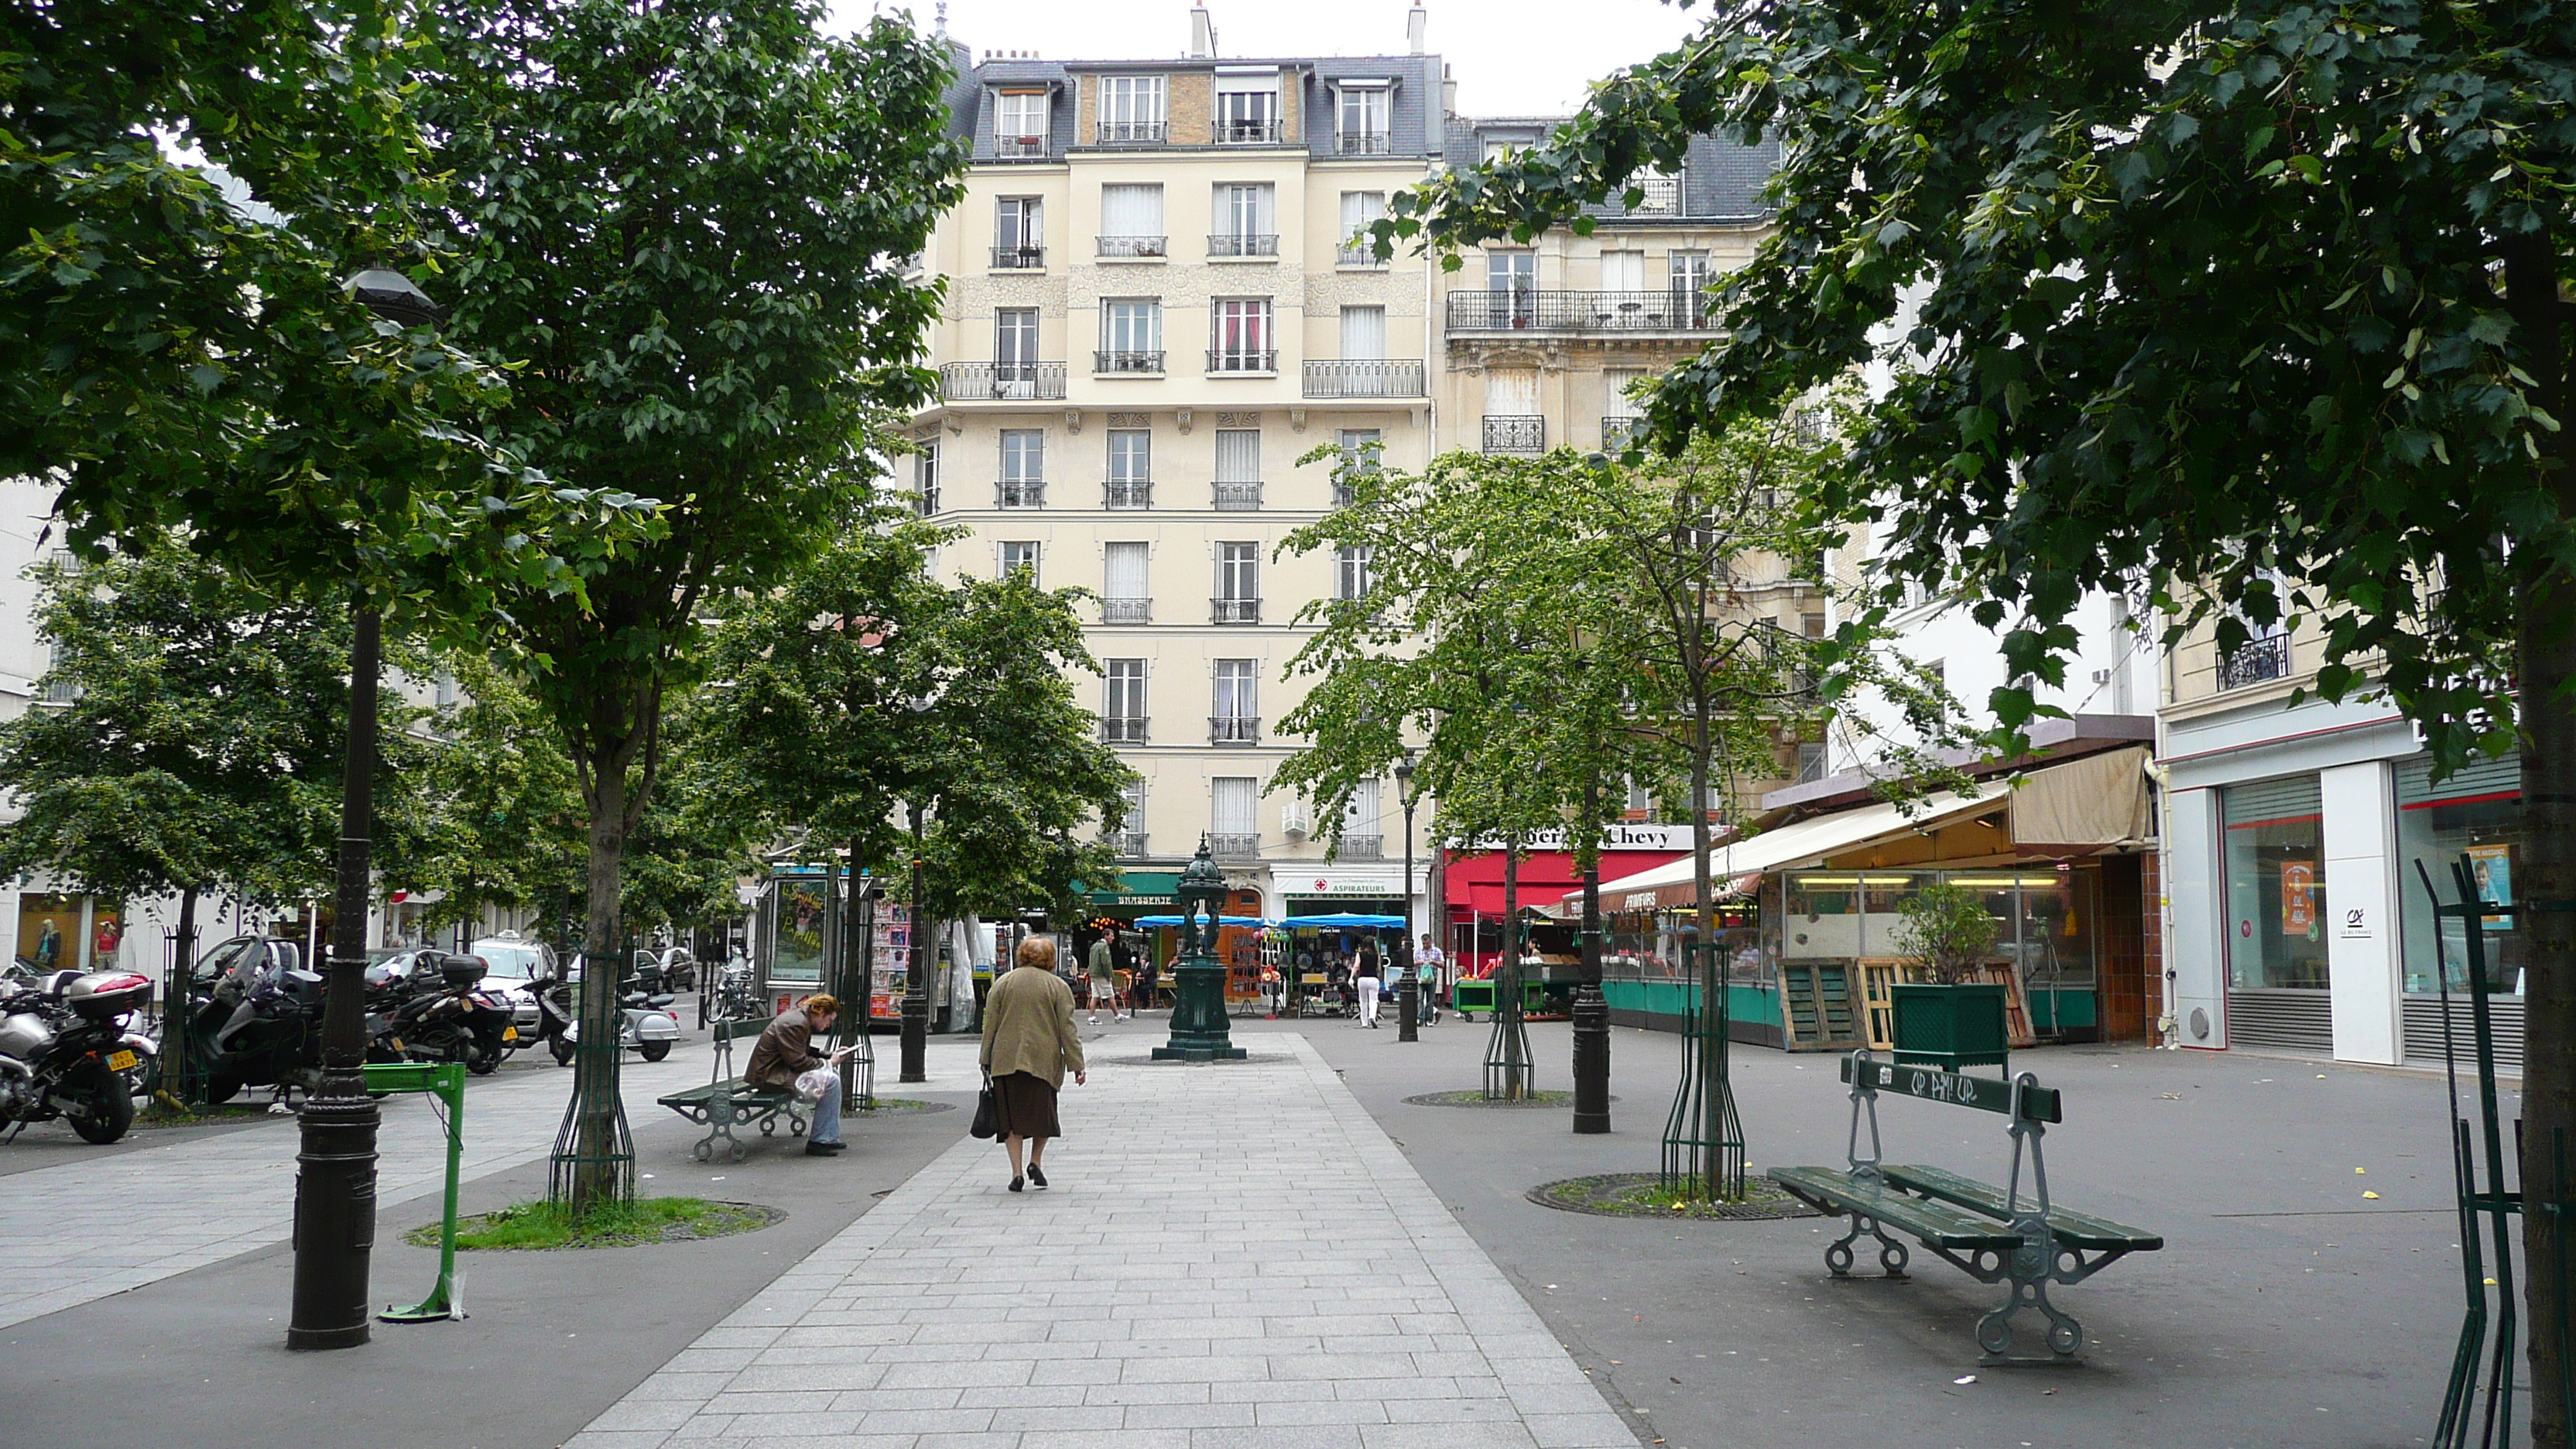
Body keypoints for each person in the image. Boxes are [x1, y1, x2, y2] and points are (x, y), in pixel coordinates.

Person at [980, 936, 1086, 1193]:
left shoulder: (1003, 984)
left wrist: (985, 1058)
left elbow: (989, 1025)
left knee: (1011, 1120)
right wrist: (1076, 1064)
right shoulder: (1057, 987)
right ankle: (1035, 1161)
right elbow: (1067, 1029)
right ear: (1050, 960)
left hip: (1005, 1060)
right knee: (1043, 1115)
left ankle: (1016, 1172)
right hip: (1043, 1061)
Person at [745, 993, 858, 1157]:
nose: (829, 1025)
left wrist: (829, 1055)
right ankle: (820, 1141)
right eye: (829, 1020)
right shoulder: (796, 1023)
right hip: (769, 1075)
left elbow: (799, 1050)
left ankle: (828, 1137)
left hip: (777, 1070)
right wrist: (829, 1063)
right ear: (820, 1013)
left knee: (831, 1076)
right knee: (830, 1080)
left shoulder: (801, 1019)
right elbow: (798, 1061)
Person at [1085, 931, 1122, 1023]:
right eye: (1111, 936)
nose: (1113, 938)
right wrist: (1109, 975)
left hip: (1093, 974)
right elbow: (1106, 962)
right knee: (1110, 995)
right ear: (1105, 936)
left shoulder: (1094, 946)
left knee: (1095, 996)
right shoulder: (1104, 947)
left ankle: (1091, 1017)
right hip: (1101, 975)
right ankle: (1117, 1015)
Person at [1355, 937, 1384, 1028]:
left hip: (1362, 978)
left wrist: (1351, 977)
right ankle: (1372, 1016)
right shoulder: (1376, 955)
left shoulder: (1360, 954)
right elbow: (1379, 969)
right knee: (1373, 1000)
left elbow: (1356, 966)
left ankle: (1364, 1022)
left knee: (1363, 1001)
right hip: (1373, 979)